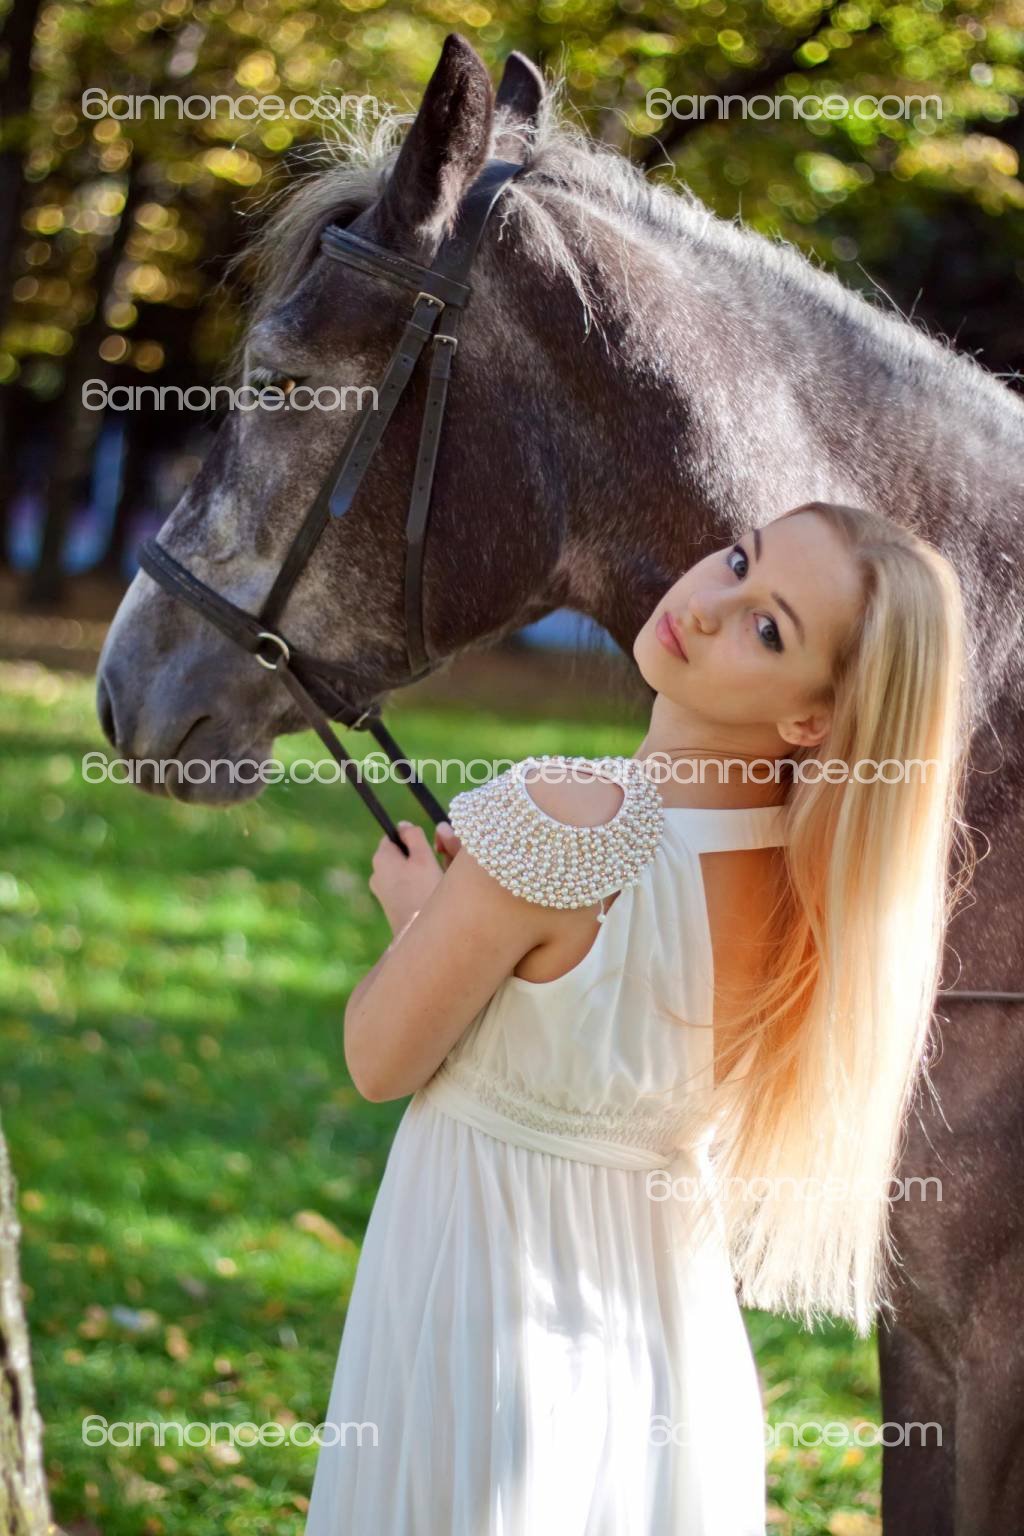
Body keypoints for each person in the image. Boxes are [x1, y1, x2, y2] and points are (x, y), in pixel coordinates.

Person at [303, 501, 970, 1535]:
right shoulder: (814, 898)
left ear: (812, 719)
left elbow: (378, 1057)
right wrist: (470, 914)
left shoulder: (560, 819)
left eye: (767, 629)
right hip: (670, 1359)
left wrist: (418, 917)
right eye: (737, 561)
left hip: (484, 1324)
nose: (705, 607)